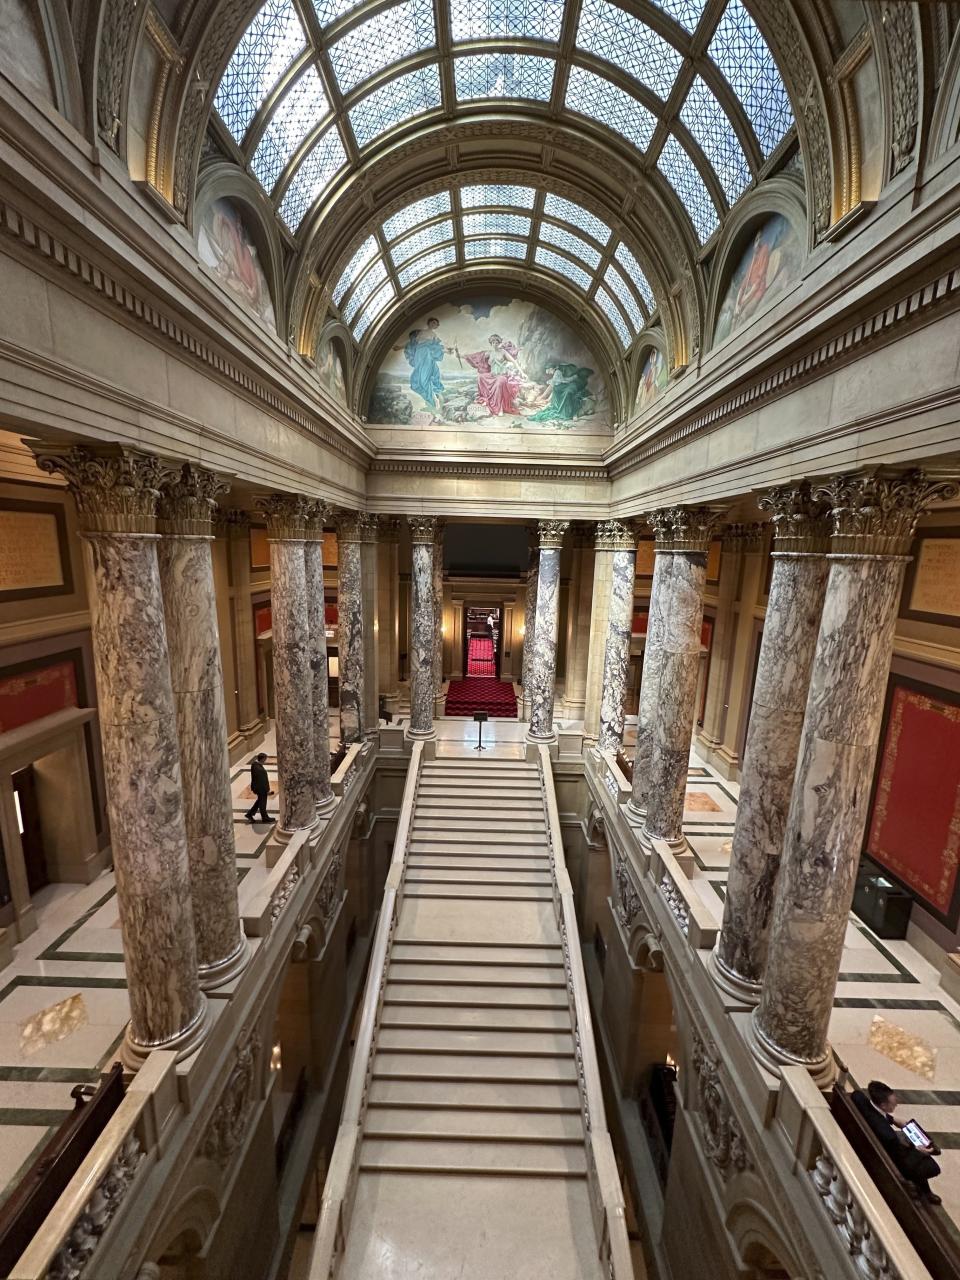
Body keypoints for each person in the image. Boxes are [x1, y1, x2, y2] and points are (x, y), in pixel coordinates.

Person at [852, 1080, 942, 1204]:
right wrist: (919, 1151)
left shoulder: (858, 1098)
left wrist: (892, 1119)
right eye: (893, 1103)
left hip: (881, 1145)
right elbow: (902, 1160)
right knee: (931, 1166)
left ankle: (925, 1190)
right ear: (883, 1105)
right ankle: (923, 1190)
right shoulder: (888, 1135)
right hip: (893, 1160)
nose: (897, 1104)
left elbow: (874, 1113)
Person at [245, 752, 274, 824]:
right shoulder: (259, 769)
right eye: (265, 759)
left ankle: (249, 814)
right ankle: (265, 817)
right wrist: (267, 791)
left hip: (258, 788)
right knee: (262, 803)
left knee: (259, 802)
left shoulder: (254, 765)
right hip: (261, 789)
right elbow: (262, 782)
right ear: (262, 759)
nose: (265, 761)